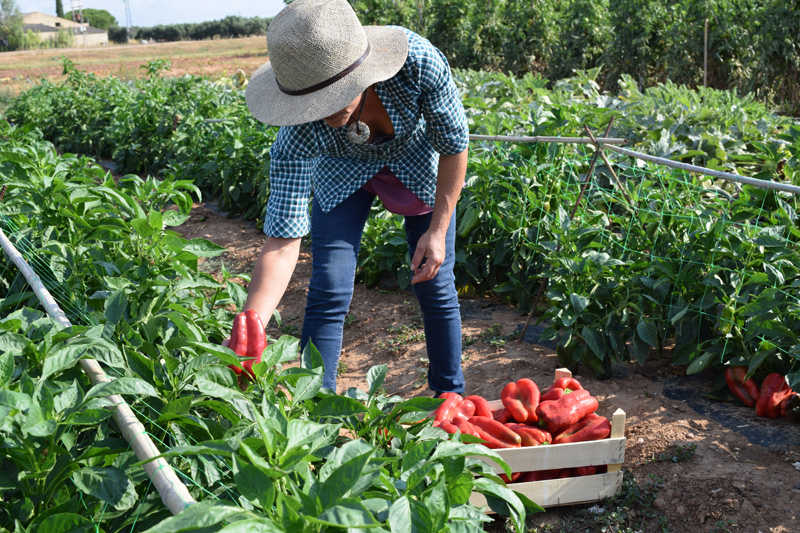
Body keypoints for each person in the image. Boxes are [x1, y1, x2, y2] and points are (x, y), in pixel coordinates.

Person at [238, 0, 469, 395]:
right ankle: (316, 406)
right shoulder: (297, 135)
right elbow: (283, 237)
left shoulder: (417, 65)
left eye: (333, 97)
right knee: (329, 285)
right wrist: (251, 325)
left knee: (434, 280)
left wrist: (439, 228)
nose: (321, 111)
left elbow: (454, 145)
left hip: (415, 161)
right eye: (311, 103)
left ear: (362, 74)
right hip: (341, 172)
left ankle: (450, 397)